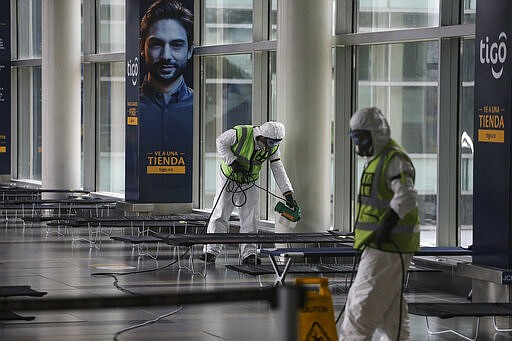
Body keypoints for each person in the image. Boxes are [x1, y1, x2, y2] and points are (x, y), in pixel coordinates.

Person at [340, 107, 420, 341]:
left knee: (361, 305)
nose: (359, 146)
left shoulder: (394, 159)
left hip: (387, 246)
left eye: (362, 140)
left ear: (376, 135)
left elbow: (406, 195)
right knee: (391, 313)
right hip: (380, 245)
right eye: (355, 140)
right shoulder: (378, 160)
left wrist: (387, 225)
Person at [201, 122, 298, 265]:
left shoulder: (272, 147)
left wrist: (287, 193)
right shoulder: (240, 133)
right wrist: (232, 162)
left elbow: (277, 167)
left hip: (250, 181)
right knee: (220, 213)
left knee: (250, 218)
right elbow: (220, 142)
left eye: (276, 143)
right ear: (261, 136)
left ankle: (249, 254)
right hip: (229, 177)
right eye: (270, 142)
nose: (272, 146)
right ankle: (210, 251)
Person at [138, 0, 194, 201]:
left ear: (189, 50)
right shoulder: (128, 108)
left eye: (177, 45)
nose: (166, 56)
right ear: (142, 47)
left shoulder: (200, 109)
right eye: (157, 44)